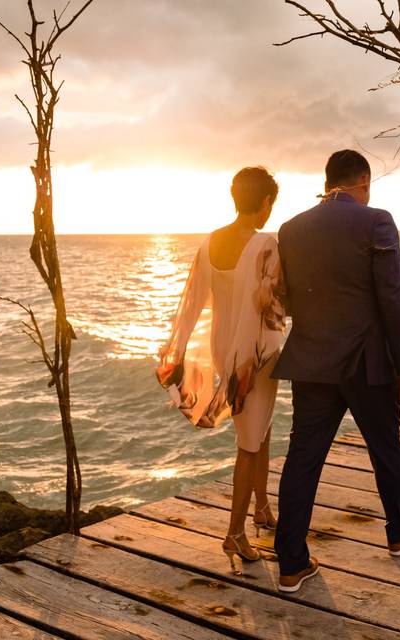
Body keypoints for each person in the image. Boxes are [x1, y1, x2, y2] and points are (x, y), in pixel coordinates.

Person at [271, 149, 400, 594]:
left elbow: (289, 297)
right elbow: (393, 298)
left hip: (312, 362)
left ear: (327, 183)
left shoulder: (291, 229)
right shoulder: (376, 220)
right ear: (363, 180)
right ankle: (399, 530)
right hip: (368, 363)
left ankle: (291, 562)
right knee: (384, 447)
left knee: (303, 458)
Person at [156, 166, 286, 571]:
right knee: (249, 444)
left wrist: (175, 354)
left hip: (223, 348)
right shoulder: (267, 244)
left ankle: (262, 508)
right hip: (255, 356)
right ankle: (234, 533)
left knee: (259, 428)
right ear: (265, 203)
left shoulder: (210, 243)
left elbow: (192, 303)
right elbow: (276, 305)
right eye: (271, 204)